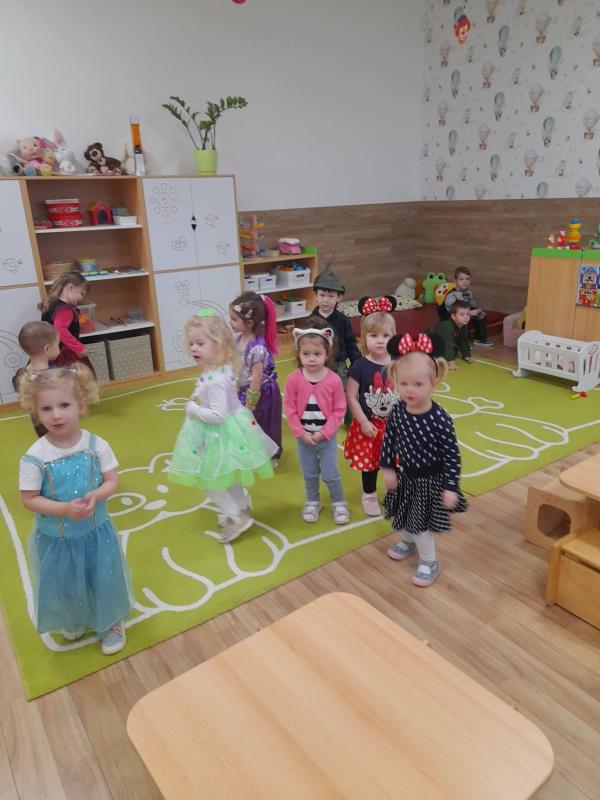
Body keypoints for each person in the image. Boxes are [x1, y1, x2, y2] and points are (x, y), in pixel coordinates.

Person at [18, 364, 131, 654]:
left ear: (81, 404)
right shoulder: (35, 457)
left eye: (64, 405)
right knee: (66, 583)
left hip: (96, 533)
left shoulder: (96, 445)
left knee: (103, 577)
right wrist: (65, 509)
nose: (56, 415)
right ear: (36, 411)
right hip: (58, 539)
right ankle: (76, 616)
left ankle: (111, 621)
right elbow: (29, 499)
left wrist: (97, 494)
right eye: (46, 408)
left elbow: (112, 480)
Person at [168, 309, 278, 543]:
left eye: (200, 343)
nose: (194, 348)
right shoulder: (217, 368)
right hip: (224, 430)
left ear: (218, 344)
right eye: (192, 343)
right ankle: (242, 506)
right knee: (227, 474)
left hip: (219, 432)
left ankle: (235, 515)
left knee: (210, 481)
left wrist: (193, 410)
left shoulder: (216, 379)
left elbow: (218, 415)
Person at [381, 333, 467, 587]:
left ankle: (430, 561)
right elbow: (389, 440)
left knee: (420, 524)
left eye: (418, 384)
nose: (410, 390)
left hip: (430, 481)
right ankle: (407, 542)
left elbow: (452, 455)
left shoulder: (440, 418)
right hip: (407, 475)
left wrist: (450, 487)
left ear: (434, 382)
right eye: (404, 383)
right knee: (404, 512)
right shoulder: (398, 410)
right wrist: (388, 468)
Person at [284, 322, 349, 524]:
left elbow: (339, 410)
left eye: (317, 354)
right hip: (304, 439)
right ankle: (312, 502)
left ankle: (339, 502)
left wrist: (324, 433)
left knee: (330, 474)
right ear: (299, 354)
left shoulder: (334, 380)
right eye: (306, 354)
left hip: (326, 439)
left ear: (326, 354)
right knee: (310, 474)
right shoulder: (293, 379)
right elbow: (290, 409)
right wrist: (301, 433)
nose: (311, 358)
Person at [343, 296, 398, 517]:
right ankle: (369, 494)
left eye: (385, 335)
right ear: (364, 338)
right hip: (370, 425)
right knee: (370, 463)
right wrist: (364, 421)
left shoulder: (398, 363)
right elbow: (352, 397)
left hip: (394, 425)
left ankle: (394, 493)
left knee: (394, 462)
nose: (380, 341)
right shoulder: (360, 366)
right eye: (374, 335)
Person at [229, 291, 282, 464]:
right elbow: (239, 366)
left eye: (234, 319)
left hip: (261, 392)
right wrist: (236, 386)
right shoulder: (239, 339)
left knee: (263, 423)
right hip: (246, 388)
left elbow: (256, 377)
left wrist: (251, 402)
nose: (230, 323)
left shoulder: (257, 348)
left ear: (249, 323)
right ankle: (251, 451)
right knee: (245, 422)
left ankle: (270, 455)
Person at [310, 269, 361, 425]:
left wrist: (358, 364)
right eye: (322, 295)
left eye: (331, 296)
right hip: (318, 366)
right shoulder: (311, 321)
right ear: (316, 295)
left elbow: (351, 343)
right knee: (319, 394)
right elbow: (304, 346)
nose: (326, 300)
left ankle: (351, 422)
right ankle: (322, 421)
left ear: (339, 297)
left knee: (347, 393)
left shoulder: (343, 320)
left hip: (339, 367)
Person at [39, 270, 95, 372]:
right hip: (64, 354)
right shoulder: (65, 309)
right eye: (81, 293)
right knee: (80, 377)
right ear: (70, 288)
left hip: (50, 353)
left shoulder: (51, 303)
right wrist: (79, 347)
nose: (81, 298)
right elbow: (60, 330)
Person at [13, 321, 61, 436]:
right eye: (57, 344)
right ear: (47, 349)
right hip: (57, 427)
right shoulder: (52, 377)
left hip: (40, 430)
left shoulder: (24, 374)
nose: (59, 347)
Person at [444, 266, 493, 347]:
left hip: (466, 312)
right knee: (463, 319)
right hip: (453, 316)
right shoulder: (452, 295)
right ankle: (462, 342)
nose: (465, 282)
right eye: (461, 279)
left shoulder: (468, 292)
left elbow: (471, 302)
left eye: (467, 279)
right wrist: (469, 313)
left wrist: (477, 308)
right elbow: (453, 311)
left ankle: (479, 339)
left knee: (481, 315)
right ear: (455, 280)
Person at [427, 299, 472, 371]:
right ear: (453, 316)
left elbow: (463, 340)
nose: (466, 317)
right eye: (462, 315)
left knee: (454, 352)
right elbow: (448, 344)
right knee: (444, 354)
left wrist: (466, 355)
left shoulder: (464, 325)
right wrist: (451, 362)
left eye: (468, 314)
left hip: (442, 342)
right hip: (429, 339)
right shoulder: (447, 327)